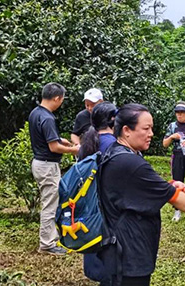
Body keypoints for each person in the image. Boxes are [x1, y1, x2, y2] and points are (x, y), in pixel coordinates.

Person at [97, 103, 185, 286]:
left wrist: (170, 184)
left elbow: (142, 186)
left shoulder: (117, 152)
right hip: (128, 253)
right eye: (146, 128)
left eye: (152, 128)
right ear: (126, 130)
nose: (151, 134)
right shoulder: (129, 161)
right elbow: (172, 195)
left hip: (119, 247)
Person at [28, 82, 80, 255]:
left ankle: (51, 236)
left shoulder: (36, 113)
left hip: (39, 162)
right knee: (50, 204)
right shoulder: (48, 118)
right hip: (47, 164)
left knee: (50, 201)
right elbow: (54, 148)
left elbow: (49, 139)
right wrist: (73, 149)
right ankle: (47, 244)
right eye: (62, 99)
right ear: (57, 98)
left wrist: (60, 139)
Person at [75, 101, 117, 285]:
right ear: (113, 120)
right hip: (108, 208)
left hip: (90, 207)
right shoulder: (113, 145)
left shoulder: (88, 142)